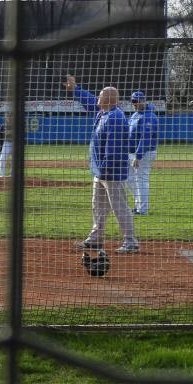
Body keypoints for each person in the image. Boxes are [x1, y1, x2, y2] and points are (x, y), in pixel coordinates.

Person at [66, 75, 138, 253]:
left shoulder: (115, 117)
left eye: (100, 95)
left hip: (111, 172)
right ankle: (95, 239)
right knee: (97, 205)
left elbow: (113, 150)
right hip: (101, 171)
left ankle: (130, 242)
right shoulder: (103, 112)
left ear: (108, 99)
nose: (97, 97)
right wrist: (75, 89)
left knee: (119, 206)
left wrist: (104, 170)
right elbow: (90, 100)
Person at [127, 91, 159, 214]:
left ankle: (142, 209)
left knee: (141, 180)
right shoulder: (135, 115)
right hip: (131, 152)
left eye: (136, 101)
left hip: (144, 153)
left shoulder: (149, 116)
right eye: (133, 101)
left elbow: (145, 138)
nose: (134, 103)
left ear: (143, 101)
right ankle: (138, 205)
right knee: (129, 179)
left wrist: (138, 156)